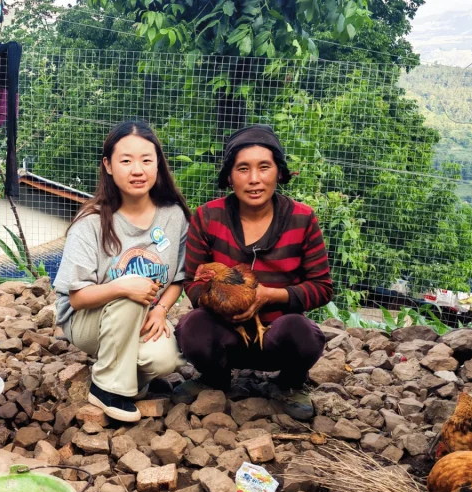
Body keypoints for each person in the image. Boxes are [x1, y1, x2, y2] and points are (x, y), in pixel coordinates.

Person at [176, 124, 333, 420]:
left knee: (305, 333)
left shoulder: (302, 219)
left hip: (276, 336)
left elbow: (322, 287)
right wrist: (222, 303)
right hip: (225, 333)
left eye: (264, 167)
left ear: (279, 171)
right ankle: (215, 378)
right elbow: (192, 283)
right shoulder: (207, 217)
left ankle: (287, 384)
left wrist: (269, 296)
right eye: (242, 169)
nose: (254, 179)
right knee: (192, 327)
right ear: (229, 175)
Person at [53, 120, 190, 422]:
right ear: (109, 165)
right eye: (126, 161)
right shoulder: (90, 222)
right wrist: (125, 288)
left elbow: (178, 278)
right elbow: (76, 299)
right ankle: (107, 388)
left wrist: (160, 311)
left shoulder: (173, 215)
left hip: (142, 315)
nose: (137, 170)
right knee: (131, 287)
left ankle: (125, 373)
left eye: (146, 160)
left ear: (158, 164)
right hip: (88, 322)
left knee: (164, 360)